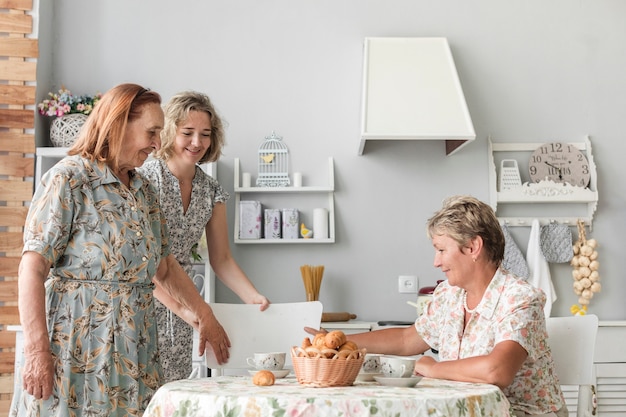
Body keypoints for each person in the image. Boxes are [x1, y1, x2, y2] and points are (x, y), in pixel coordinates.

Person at [10, 83, 233, 417]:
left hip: (135, 352)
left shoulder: (144, 191)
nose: (158, 143)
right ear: (118, 124)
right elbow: (32, 267)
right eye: (152, 132)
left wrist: (205, 315)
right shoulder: (70, 180)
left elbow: (165, 267)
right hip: (75, 350)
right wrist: (37, 349)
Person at [307, 195, 568, 417]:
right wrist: (341, 341)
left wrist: (434, 368)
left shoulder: (520, 298)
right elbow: (407, 340)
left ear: (473, 247)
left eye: (441, 250)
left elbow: (496, 370)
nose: (436, 261)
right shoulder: (449, 294)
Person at [139, 91, 270, 383]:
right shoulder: (145, 181)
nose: (197, 142)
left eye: (205, 134)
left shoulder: (211, 190)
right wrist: (188, 310)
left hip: (185, 301)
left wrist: (253, 297)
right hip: (144, 300)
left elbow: (222, 259)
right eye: (188, 132)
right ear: (169, 131)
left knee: (172, 392)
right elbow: (144, 264)